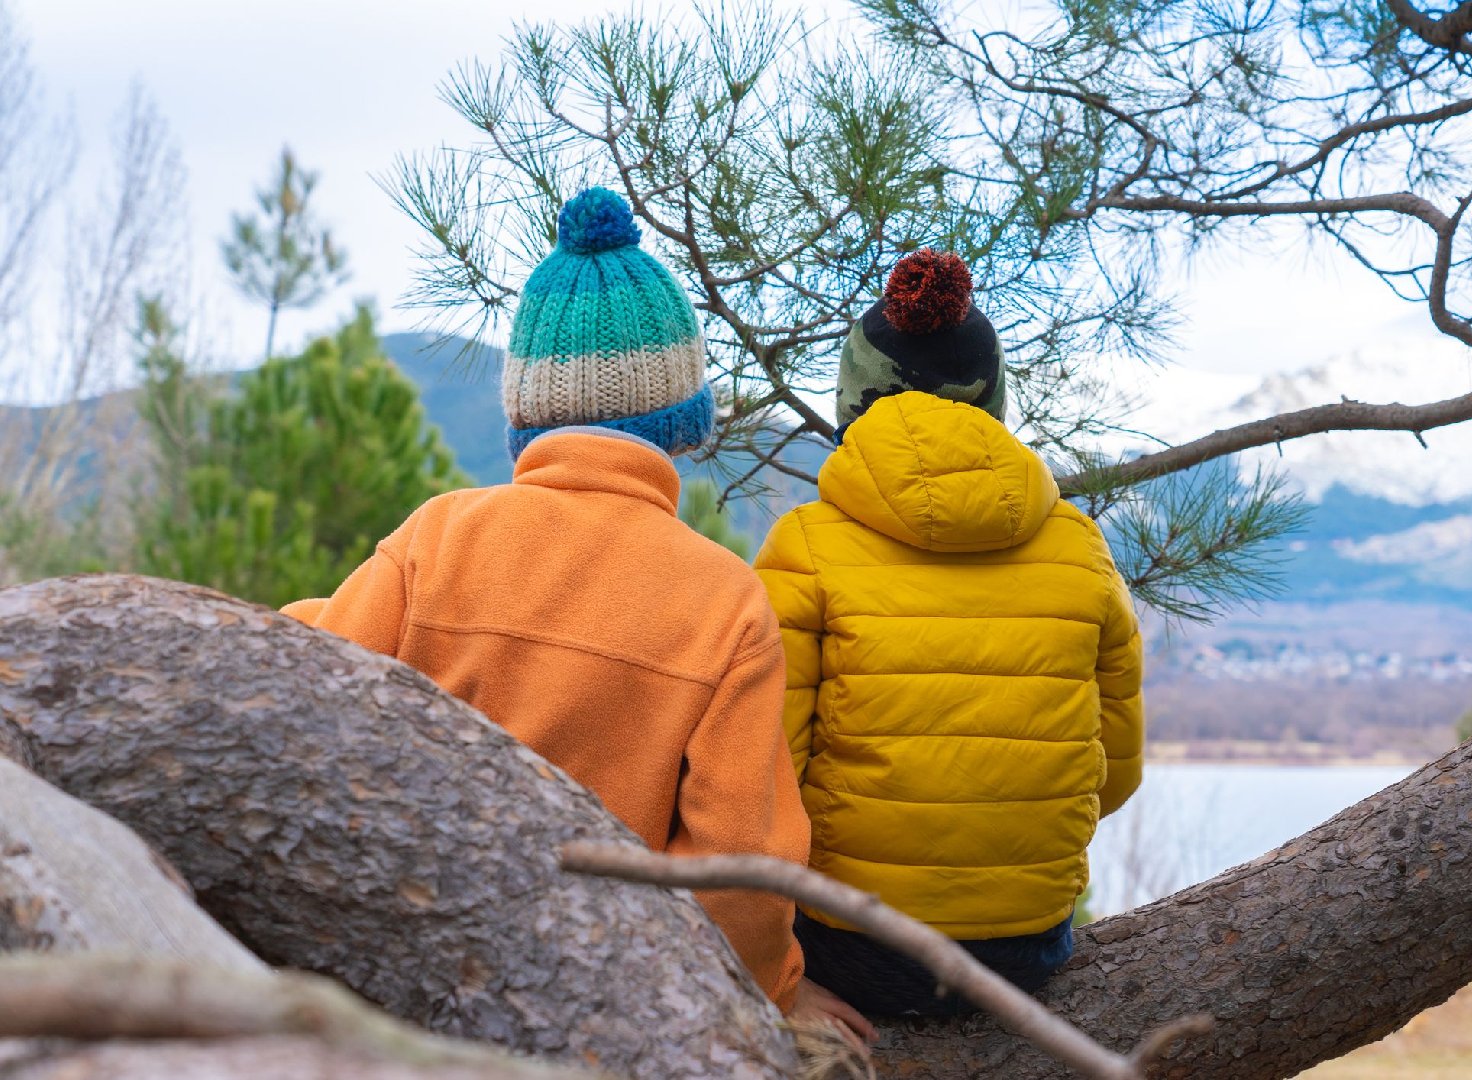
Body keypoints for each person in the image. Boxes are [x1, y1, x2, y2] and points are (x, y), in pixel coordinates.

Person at [282, 187, 865, 1034]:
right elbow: (743, 869)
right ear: (682, 416)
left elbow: (306, 694)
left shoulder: (437, 538)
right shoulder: (723, 596)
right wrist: (771, 995)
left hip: (410, 984)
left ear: (524, 410)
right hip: (599, 1006)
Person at [754, 249, 1146, 1017]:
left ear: (853, 400)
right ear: (991, 399)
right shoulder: (1077, 542)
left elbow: (765, 769)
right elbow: (1117, 774)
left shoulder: (805, 543)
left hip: (855, 946)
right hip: (1027, 949)